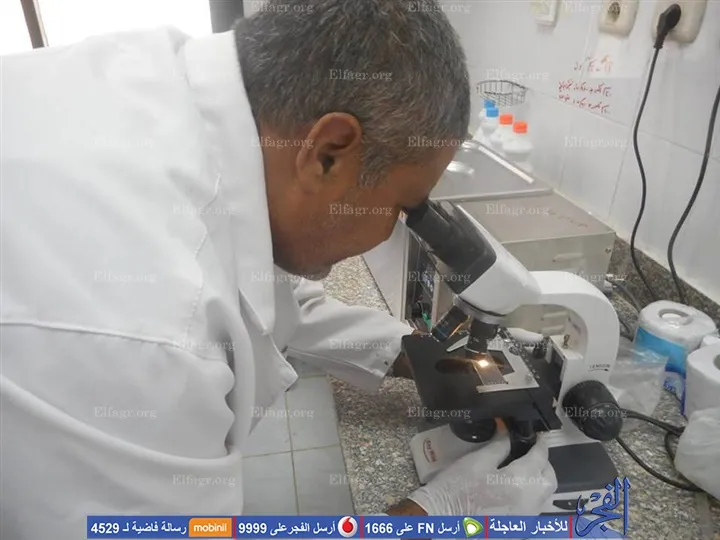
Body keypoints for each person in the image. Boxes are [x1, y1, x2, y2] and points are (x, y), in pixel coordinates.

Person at [0, 0, 556, 537]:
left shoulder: (160, 82)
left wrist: (418, 355)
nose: (393, 229)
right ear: (328, 154)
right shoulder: (145, 331)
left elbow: (260, 294)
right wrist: (439, 515)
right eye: (402, 206)